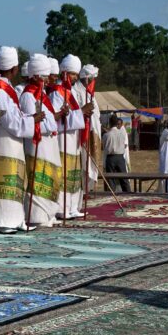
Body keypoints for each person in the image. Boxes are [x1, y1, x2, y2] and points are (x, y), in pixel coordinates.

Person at [0, 47, 43, 233]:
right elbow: (10, 120)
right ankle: (3, 220)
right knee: (7, 176)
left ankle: (16, 217)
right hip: (5, 139)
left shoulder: (6, 87)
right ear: (13, 68)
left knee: (17, 177)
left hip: (13, 139)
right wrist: (32, 120)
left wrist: (27, 120)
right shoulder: (0, 90)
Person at [48, 54, 94, 220]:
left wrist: (84, 113)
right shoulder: (56, 93)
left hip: (73, 138)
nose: (75, 77)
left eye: (76, 74)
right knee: (64, 175)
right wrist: (81, 112)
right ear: (65, 73)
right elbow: (56, 118)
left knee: (74, 175)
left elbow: (74, 115)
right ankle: (62, 207)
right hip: (63, 140)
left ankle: (73, 206)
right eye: (73, 74)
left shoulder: (71, 92)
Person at [20, 55, 61, 227]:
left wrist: (49, 124)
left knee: (50, 176)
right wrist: (48, 124)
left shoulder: (42, 95)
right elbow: (35, 122)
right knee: (38, 177)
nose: (46, 79)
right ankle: (37, 215)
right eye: (44, 76)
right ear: (36, 76)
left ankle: (49, 212)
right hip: (38, 144)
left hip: (49, 144)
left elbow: (50, 120)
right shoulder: (28, 96)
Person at [78, 64, 102, 199]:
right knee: (84, 162)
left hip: (94, 133)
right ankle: (83, 190)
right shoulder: (78, 92)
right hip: (84, 133)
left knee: (90, 163)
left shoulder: (90, 94)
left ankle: (88, 189)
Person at [102, 115, 131, 192]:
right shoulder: (122, 133)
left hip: (111, 158)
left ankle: (111, 196)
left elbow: (105, 146)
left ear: (110, 123)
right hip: (120, 157)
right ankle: (128, 194)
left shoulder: (107, 135)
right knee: (124, 179)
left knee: (111, 179)